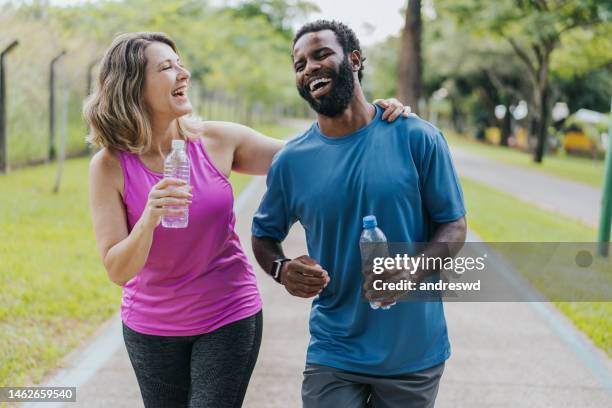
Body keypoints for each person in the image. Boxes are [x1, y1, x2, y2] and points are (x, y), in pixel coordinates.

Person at [85, 31, 409, 408]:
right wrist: (148, 219)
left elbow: (312, 155)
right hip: (150, 326)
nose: (183, 74)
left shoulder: (217, 140)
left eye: (180, 63)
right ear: (133, 86)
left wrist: (375, 119)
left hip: (227, 312)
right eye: (167, 67)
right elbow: (118, 270)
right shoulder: (109, 167)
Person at [251, 20, 467, 408]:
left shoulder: (417, 137)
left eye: (321, 54)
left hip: (413, 351)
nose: (309, 68)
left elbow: (453, 224)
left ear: (354, 59)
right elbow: (263, 235)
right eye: (299, 64)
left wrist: (412, 272)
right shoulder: (291, 161)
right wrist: (281, 269)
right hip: (334, 349)